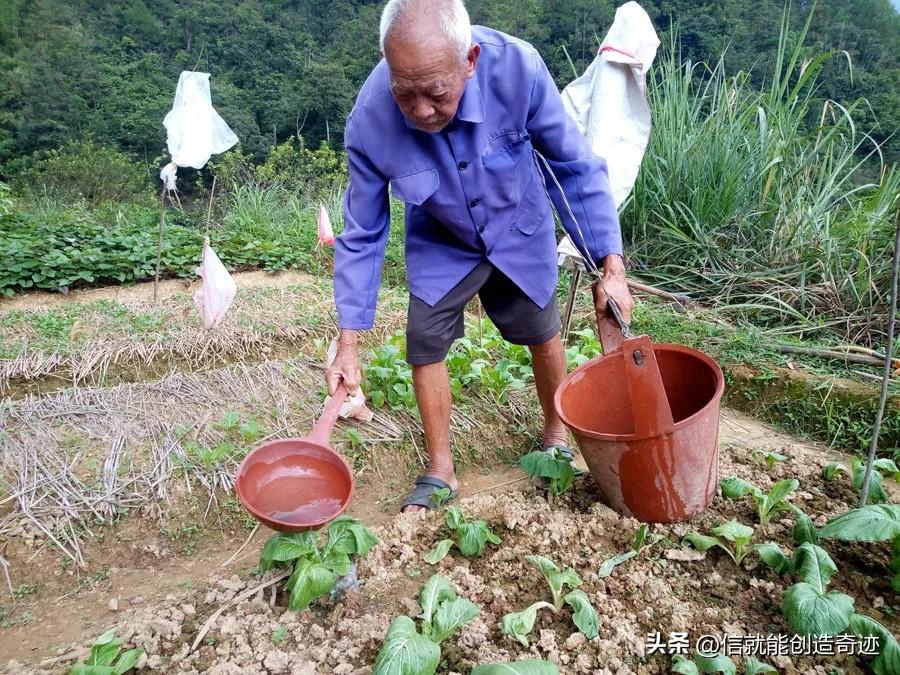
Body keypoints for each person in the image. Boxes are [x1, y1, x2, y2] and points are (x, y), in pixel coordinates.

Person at [325, 0, 633, 513]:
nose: (421, 110)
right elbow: (362, 233)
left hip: (516, 222)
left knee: (542, 327)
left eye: (436, 92)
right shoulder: (369, 121)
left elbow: (574, 167)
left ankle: (556, 436)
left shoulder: (518, 68)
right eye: (406, 94)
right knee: (424, 341)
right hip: (440, 237)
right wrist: (349, 339)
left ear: (469, 59)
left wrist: (611, 263)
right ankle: (440, 471)